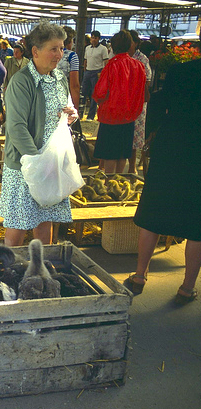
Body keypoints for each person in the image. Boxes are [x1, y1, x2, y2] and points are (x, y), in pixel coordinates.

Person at [123, 48, 201, 305]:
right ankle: (187, 288)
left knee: (154, 211)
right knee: (197, 224)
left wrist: (150, 133)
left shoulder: (181, 71)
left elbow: (159, 102)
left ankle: (139, 275)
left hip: (171, 145)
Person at [0, 22, 78, 246]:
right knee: (19, 220)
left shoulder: (58, 78)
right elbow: (16, 127)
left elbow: (66, 109)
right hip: (27, 164)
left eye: (62, 48)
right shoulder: (22, 82)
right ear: (35, 51)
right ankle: (9, 270)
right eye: (53, 49)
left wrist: (71, 115)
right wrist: (37, 164)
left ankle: (41, 267)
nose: (59, 54)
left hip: (53, 161)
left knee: (46, 218)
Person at [92, 31, 146, 174]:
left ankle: (110, 183)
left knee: (110, 154)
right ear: (129, 45)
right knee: (123, 153)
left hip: (110, 116)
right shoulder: (139, 66)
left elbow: (99, 93)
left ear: (113, 47)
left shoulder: (111, 66)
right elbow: (143, 93)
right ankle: (119, 180)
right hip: (130, 116)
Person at [127, 30, 152, 174]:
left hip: (137, 102)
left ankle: (132, 166)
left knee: (135, 135)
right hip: (123, 102)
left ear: (136, 43)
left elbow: (147, 81)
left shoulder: (142, 59)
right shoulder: (118, 57)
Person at [80, 31, 109, 120]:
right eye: (92, 37)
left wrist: (103, 73)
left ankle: (91, 116)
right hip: (88, 71)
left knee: (94, 94)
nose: (93, 39)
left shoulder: (103, 49)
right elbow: (85, 60)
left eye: (95, 38)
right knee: (83, 93)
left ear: (98, 39)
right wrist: (85, 70)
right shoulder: (87, 48)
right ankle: (81, 114)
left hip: (97, 72)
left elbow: (105, 61)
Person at [56, 27, 80, 112]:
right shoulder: (72, 56)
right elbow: (74, 86)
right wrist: (75, 110)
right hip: (64, 100)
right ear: (70, 41)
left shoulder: (49, 54)